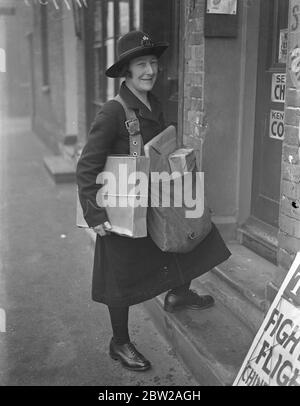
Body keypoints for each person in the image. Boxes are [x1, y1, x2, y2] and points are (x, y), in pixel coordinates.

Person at [76, 30, 231, 372]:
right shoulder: (113, 113)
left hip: (158, 195)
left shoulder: (153, 103)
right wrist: (94, 212)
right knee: (121, 274)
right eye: (141, 64)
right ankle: (119, 341)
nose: (150, 70)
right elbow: (87, 165)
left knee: (193, 233)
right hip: (125, 206)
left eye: (153, 63)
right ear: (126, 72)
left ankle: (178, 294)